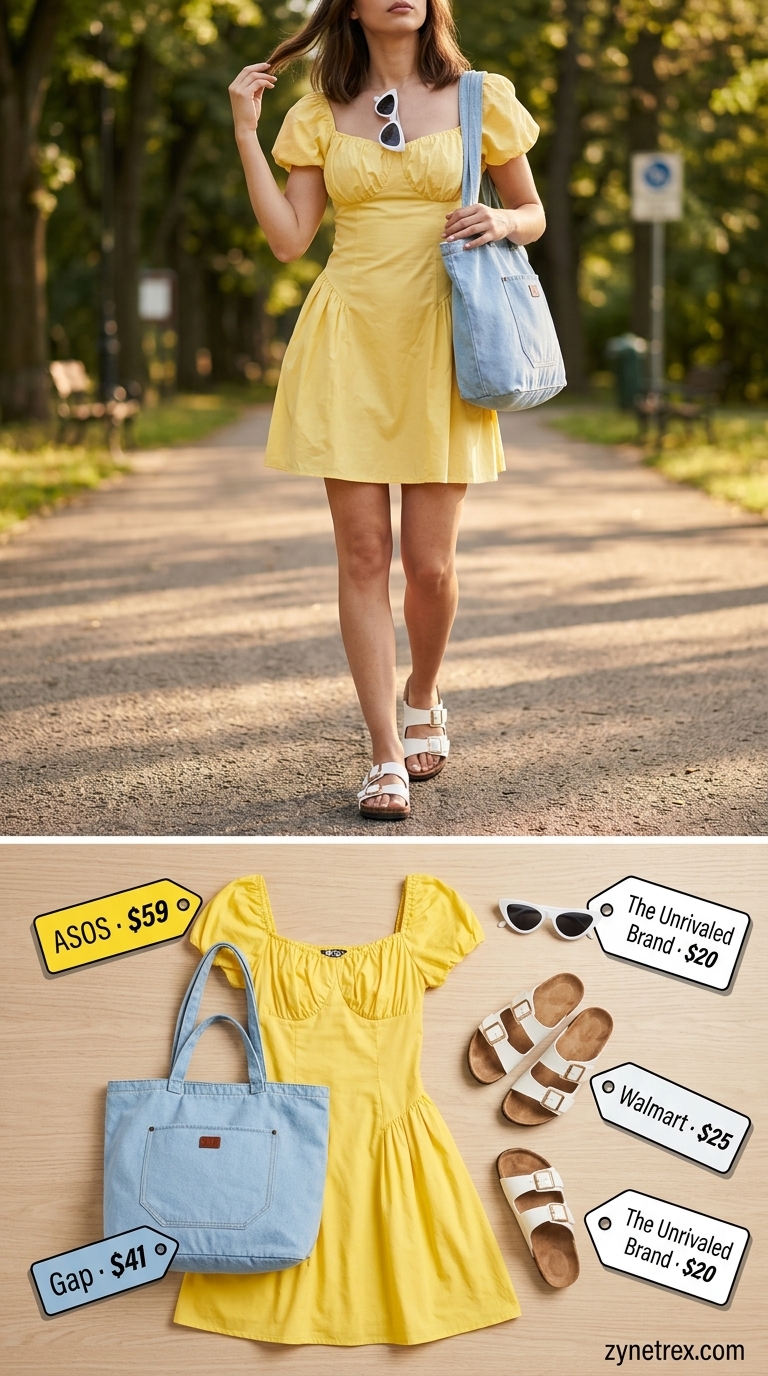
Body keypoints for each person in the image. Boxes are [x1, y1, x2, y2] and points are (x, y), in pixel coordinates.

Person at [228, 0, 545, 820]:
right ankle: (382, 755)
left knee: (430, 565)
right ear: (351, 8)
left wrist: (502, 218)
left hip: (446, 340)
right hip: (350, 338)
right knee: (364, 555)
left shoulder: (483, 97)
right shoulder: (316, 112)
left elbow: (534, 214)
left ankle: (424, 693)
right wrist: (243, 133)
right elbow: (290, 240)